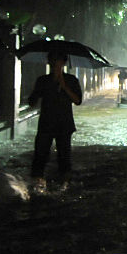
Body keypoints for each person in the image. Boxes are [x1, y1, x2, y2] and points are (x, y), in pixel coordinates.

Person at [28, 50, 82, 189]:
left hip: (64, 124)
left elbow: (77, 100)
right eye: (52, 61)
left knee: (64, 157)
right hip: (46, 124)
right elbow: (32, 101)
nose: (55, 64)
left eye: (58, 61)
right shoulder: (43, 80)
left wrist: (64, 86)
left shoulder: (71, 80)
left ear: (63, 63)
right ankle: (37, 183)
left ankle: (64, 184)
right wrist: (41, 90)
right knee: (40, 156)